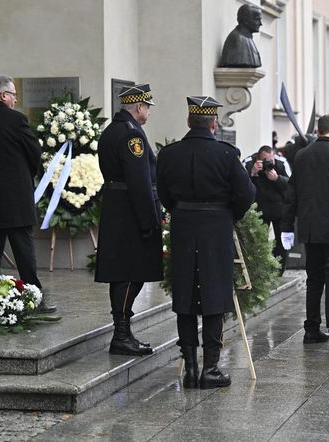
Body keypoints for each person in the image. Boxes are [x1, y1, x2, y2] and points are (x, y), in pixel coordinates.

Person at [157, 96, 255, 389]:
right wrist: (229, 214)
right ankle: (210, 368)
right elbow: (247, 192)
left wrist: (181, 210)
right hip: (216, 228)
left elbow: (162, 194)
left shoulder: (169, 154)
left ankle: (190, 369)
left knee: (184, 296)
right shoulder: (226, 154)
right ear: (214, 123)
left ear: (189, 121)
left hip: (184, 226)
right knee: (215, 294)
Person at [0, 75, 55, 313]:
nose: (15, 100)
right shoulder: (16, 120)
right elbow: (34, 152)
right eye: (13, 95)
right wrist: (25, 175)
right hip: (17, 198)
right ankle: (35, 298)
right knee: (24, 253)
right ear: (3, 95)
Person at [95, 84, 162, 356]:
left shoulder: (113, 131)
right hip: (129, 211)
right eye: (146, 107)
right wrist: (150, 219)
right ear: (137, 107)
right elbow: (139, 181)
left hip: (117, 207)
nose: (147, 112)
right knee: (128, 273)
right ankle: (121, 335)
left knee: (125, 272)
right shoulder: (131, 136)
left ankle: (123, 331)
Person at [281, 114, 329, 351]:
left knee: (314, 280)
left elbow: (292, 194)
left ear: (319, 130)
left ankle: (311, 328)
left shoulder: (302, 155)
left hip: (310, 228)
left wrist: (286, 227)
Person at [245, 145, 290, 273]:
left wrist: (277, 179)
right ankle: (259, 270)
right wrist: (252, 173)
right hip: (259, 209)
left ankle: (278, 270)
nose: (269, 163)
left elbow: (292, 185)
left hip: (279, 208)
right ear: (258, 159)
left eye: (271, 160)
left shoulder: (281, 163)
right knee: (258, 242)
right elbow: (241, 184)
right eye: (266, 161)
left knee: (281, 241)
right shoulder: (249, 162)